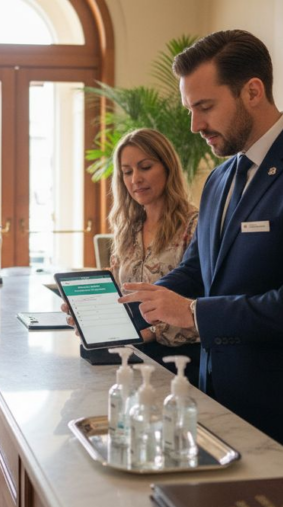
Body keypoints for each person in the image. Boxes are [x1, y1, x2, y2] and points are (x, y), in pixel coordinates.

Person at [118, 30, 283, 472]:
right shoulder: (219, 179)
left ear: (253, 91)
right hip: (218, 401)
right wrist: (123, 309)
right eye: (189, 109)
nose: (195, 125)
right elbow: (198, 269)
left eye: (205, 106)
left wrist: (193, 314)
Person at [106, 129, 201, 387]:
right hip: (131, 355)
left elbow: (205, 304)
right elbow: (120, 297)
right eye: (127, 172)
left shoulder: (196, 225)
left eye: (145, 167)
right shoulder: (127, 230)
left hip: (181, 365)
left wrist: (148, 332)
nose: (136, 179)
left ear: (167, 167)